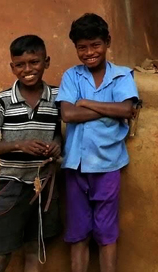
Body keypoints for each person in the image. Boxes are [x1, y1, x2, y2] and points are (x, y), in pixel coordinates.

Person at [56, 14, 138, 272]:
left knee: (106, 232)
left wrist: (87, 102)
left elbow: (126, 110)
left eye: (95, 45)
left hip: (107, 164)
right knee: (78, 232)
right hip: (76, 166)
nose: (89, 52)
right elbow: (68, 114)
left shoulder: (122, 76)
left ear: (107, 42)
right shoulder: (72, 76)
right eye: (82, 47)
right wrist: (109, 109)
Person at [0, 35, 62, 272]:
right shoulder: (3, 100)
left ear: (46, 62)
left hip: (44, 185)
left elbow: (59, 133)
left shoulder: (58, 97)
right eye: (20, 65)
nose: (28, 69)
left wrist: (56, 144)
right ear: (12, 67)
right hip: (11, 185)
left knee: (34, 249)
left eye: (34, 62)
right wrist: (19, 145)